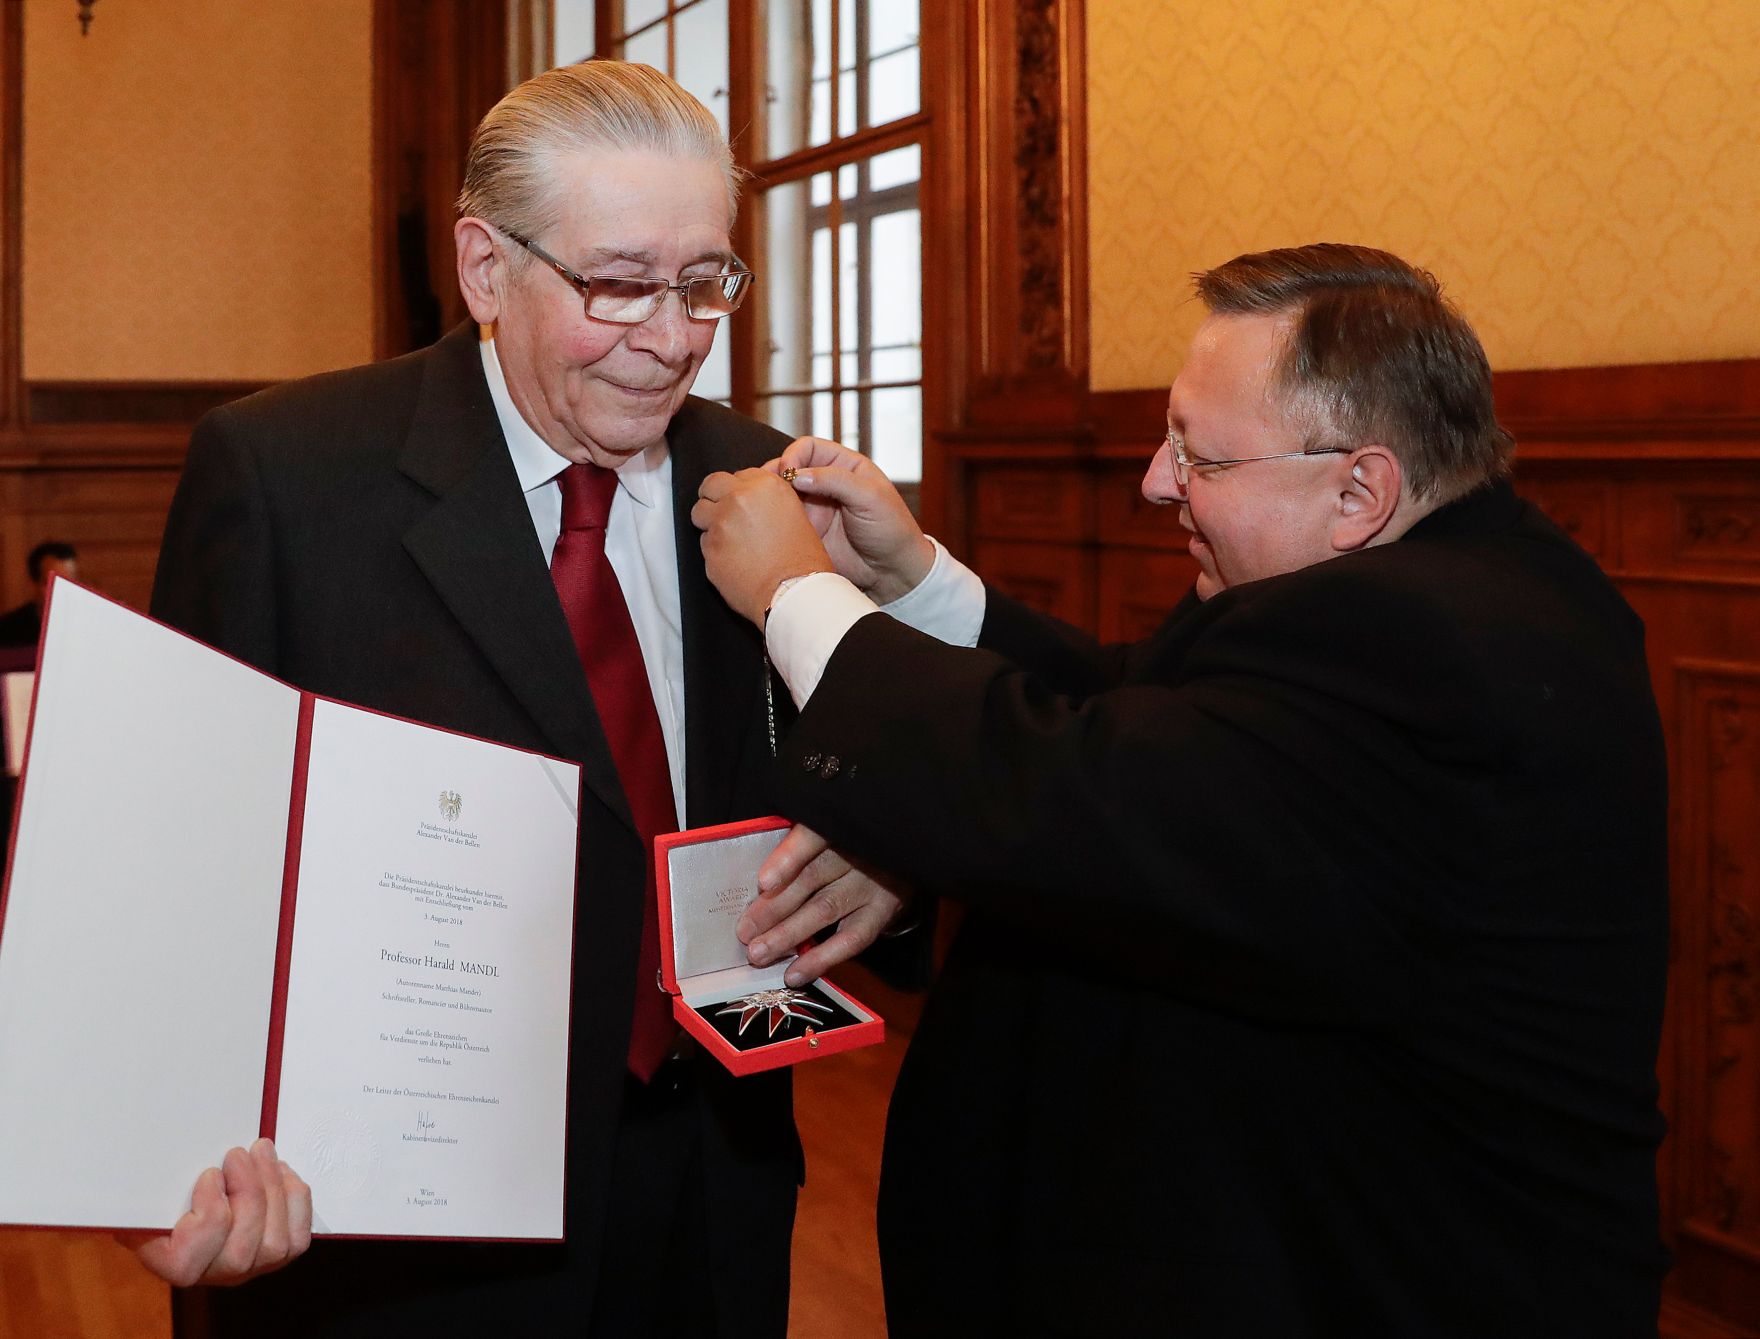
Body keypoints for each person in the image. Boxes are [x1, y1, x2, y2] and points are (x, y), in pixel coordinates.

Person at [692, 244, 1671, 1336]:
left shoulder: (1422, 646)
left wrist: (795, 593)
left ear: (1357, 488)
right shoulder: (1445, 578)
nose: (1156, 481)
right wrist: (913, 578)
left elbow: (1085, 794)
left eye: (1196, 457)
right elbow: (1142, 723)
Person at [141, 61, 899, 1338]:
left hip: (709, 1191)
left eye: (705, 282)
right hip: (397, 1232)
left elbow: (857, 761)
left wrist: (880, 858)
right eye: (616, 283)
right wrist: (162, 1158)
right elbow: (176, 865)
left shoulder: (766, 482)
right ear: (485, 269)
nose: (671, 337)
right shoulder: (286, 476)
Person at [0, 540, 79, 647]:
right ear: (33, 583)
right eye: (52, 583)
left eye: (69, 583)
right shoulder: (7, 630)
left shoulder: (87, 624)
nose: (62, 591)